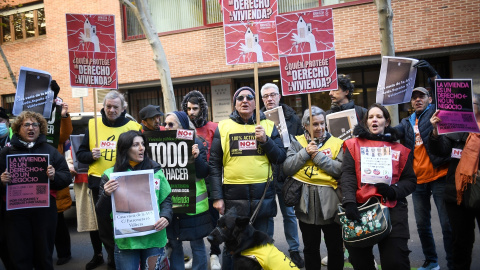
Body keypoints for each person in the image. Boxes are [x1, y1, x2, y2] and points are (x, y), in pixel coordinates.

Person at [209, 86, 286, 269]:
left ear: (255, 103)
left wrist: (266, 141)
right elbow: (214, 164)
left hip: (263, 199)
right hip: (233, 199)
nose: (245, 100)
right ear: (235, 104)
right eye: (240, 98)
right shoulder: (223, 126)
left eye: (249, 97)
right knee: (232, 249)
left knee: (262, 247)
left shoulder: (267, 125)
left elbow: (280, 157)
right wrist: (218, 197)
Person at [341, 103, 416, 270]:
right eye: (371, 117)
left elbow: (410, 181)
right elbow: (348, 175)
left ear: (387, 122)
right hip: (361, 209)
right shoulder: (353, 145)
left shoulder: (400, 150)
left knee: (395, 262)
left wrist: (393, 190)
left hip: (393, 208)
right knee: (360, 262)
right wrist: (349, 202)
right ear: (366, 122)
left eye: (379, 117)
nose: (374, 120)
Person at [394, 60, 453, 270]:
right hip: (417, 180)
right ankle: (432, 262)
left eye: (422, 96)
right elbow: (394, 133)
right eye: (414, 97)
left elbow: (446, 93)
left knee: (446, 225)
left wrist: (432, 72)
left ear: (429, 99)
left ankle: (453, 263)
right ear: (411, 102)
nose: (418, 99)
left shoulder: (436, 113)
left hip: (439, 175)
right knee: (422, 224)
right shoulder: (406, 121)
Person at [76, 90, 142, 269]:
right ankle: (108, 257)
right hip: (99, 182)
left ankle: (125, 257)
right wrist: (90, 155)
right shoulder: (93, 124)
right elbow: (80, 155)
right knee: (102, 224)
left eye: (115, 107)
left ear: (123, 108)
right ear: (103, 107)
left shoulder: (133, 127)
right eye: (108, 106)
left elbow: (142, 154)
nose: (111, 110)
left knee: (124, 222)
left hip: (125, 182)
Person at [0, 111, 71, 269]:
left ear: (41, 129)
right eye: (26, 125)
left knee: (44, 255)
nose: (31, 128)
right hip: (16, 213)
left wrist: (54, 176)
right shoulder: (6, 152)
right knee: (19, 255)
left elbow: (66, 177)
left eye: (35, 125)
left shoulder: (51, 151)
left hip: (44, 212)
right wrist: (1, 181)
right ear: (18, 129)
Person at [95, 130, 172, 269]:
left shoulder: (155, 170)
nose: (142, 148)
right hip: (127, 242)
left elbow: (166, 199)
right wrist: (106, 194)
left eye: (142, 144)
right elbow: (101, 212)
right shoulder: (110, 175)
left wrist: (166, 216)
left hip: (154, 238)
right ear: (125, 149)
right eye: (136, 145)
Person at [283, 106, 344, 270]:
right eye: (315, 124)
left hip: (331, 206)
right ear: (305, 126)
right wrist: (304, 153)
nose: (320, 127)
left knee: (335, 249)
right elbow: (287, 168)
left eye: (322, 123)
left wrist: (317, 156)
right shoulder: (297, 143)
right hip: (306, 207)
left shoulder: (337, 143)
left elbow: (339, 169)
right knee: (310, 250)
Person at [428, 93, 480, 270]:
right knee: (461, 241)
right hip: (457, 193)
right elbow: (440, 150)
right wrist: (435, 131)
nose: (463, 106)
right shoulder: (455, 130)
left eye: (469, 103)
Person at [259, 83, 304, 267]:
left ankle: (294, 250)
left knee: (289, 214)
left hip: (286, 174)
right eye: (265, 96)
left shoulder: (293, 118)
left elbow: (301, 143)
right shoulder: (257, 120)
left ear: (279, 96)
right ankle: (268, 249)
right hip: (266, 175)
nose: (269, 99)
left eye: (272, 95)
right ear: (262, 100)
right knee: (267, 214)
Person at [163, 111, 211, 270]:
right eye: (165, 124)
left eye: (171, 124)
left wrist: (197, 157)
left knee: (197, 244)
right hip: (172, 205)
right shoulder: (160, 146)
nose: (166, 127)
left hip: (193, 206)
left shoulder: (196, 143)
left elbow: (204, 172)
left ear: (182, 127)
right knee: (174, 244)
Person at [181, 90, 220, 270]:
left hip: (211, 181)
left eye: (195, 108)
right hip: (192, 184)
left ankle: (214, 254)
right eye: (188, 109)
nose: (191, 112)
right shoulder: (182, 130)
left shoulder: (213, 127)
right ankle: (198, 254)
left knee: (214, 221)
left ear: (202, 109)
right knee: (194, 224)